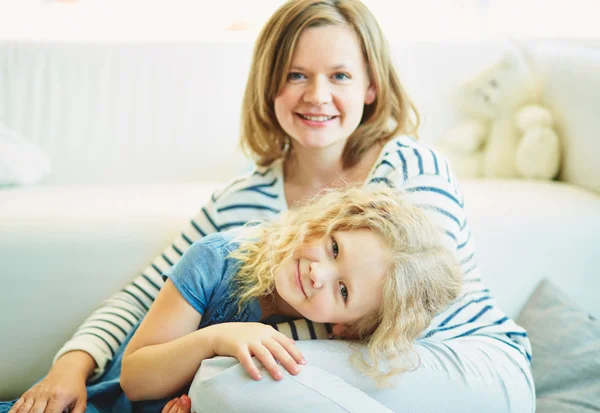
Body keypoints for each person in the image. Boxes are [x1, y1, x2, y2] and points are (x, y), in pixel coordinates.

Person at [4, 0, 535, 412]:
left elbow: (403, 321)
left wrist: (224, 347)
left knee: (229, 378)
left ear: (372, 88)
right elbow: (144, 293)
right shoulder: (240, 203)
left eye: (340, 76)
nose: (317, 95)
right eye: (296, 74)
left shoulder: (408, 167)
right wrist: (70, 368)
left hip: (464, 363)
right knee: (233, 380)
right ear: (270, 85)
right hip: (333, 379)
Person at [120, 186, 462, 402]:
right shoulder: (216, 260)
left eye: (343, 290)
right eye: (333, 247)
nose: (318, 273)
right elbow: (133, 380)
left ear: (348, 327)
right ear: (327, 222)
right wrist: (217, 338)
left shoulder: (325, 342)